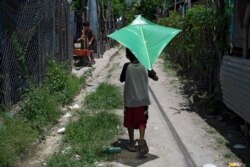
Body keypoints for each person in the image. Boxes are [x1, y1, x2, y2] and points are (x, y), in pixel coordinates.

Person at [119, 48, 159, 156]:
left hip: (130, 100)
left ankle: (132, 144)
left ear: (127, 56)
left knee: (130, 121)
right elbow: (156, 78)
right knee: (142, 120)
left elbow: (121, 79)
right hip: (143, 100)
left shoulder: (126, 66)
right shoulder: (146, 65)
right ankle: (141, 139)